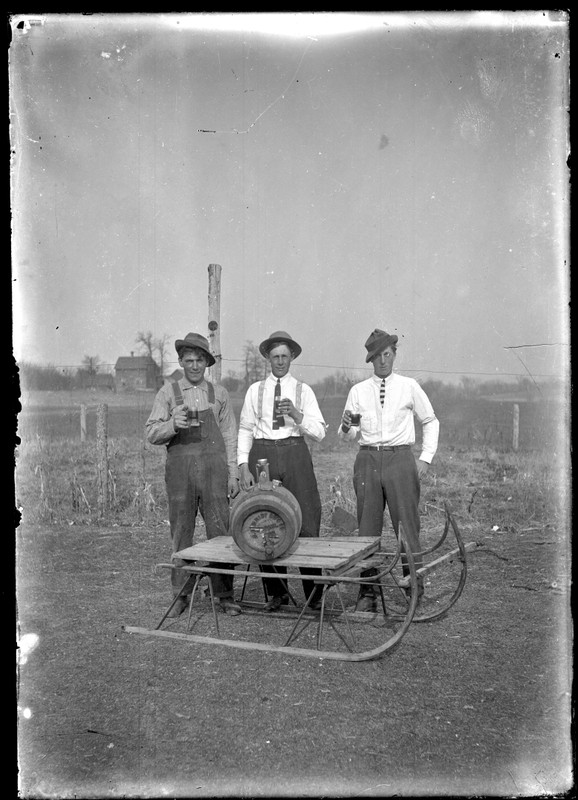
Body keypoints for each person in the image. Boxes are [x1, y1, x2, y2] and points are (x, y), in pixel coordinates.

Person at [338, 328, 440, 611]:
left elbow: (430, 421)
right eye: (377, 357)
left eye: (387, 354)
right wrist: (346, 425)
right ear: (370, 360)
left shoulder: (409, 387)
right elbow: (348, 435)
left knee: (406, 526)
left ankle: (414, 589)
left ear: (394, 354)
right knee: (368, 529)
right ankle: (367, 593)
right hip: (368, 461)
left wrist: (425, 458)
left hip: (401, 460)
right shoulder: (358, 391)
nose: (382, 361)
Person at [146, 332, 242, 617]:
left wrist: (233, 473)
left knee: (220, 531)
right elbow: (151, 433)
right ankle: (180, 595)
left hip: (214, 471)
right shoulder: (167, 393)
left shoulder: (219, 394)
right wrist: (171, 425)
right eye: (189, 360)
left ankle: (223, 594)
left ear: (207, 363)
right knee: (181, 532)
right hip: (181, 473)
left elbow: (230, 436)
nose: (195, 365)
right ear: (180, 361)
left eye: (200, 360)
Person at [238, 330, 327, 612]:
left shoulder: (303, 390)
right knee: (265, 518)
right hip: (263, 453)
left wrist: (297, 416)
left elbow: (320, 433)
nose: (279, 361)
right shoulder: (255, 390)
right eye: (275, 356)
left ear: (292, 358)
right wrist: (242, 464)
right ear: (267, 358)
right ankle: (277, 593)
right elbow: (245, 428)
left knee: (308, 516)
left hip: (295, 451)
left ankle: (314, 594)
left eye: (284, 357)